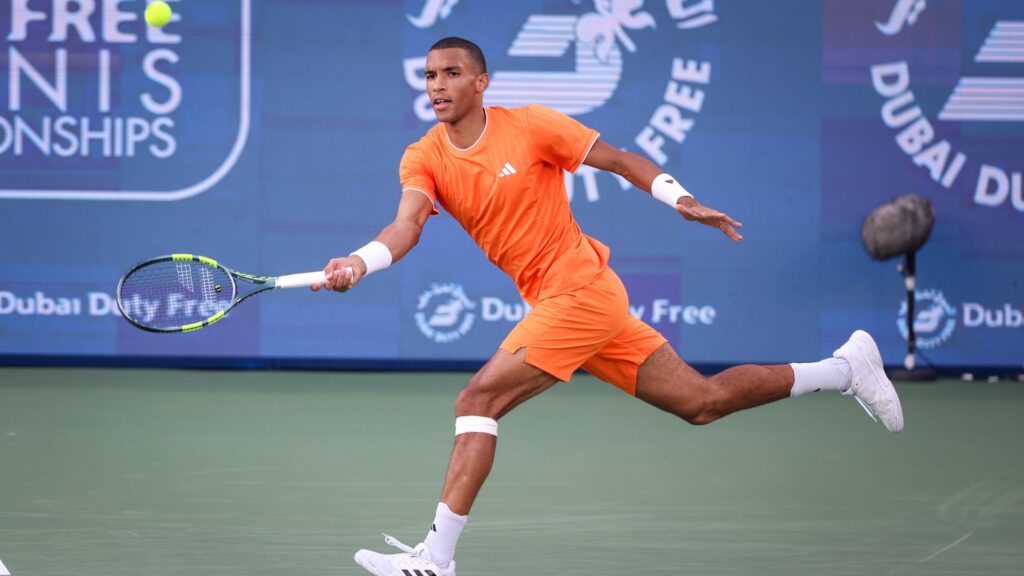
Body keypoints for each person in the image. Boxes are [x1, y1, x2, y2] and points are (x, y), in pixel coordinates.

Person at [312, 37, 904, 576]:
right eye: (429, 75)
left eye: (451, 73)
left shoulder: (533, 125)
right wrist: (361, 261)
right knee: (701, 402)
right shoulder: (424, 156)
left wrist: (681, 198)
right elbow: (406, 225)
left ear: (481, 83)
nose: (437, 85)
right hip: (569, 300)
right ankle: (848, 368)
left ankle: (436, 560)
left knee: (478, 399)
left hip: (582, 292)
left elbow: (620, 160)